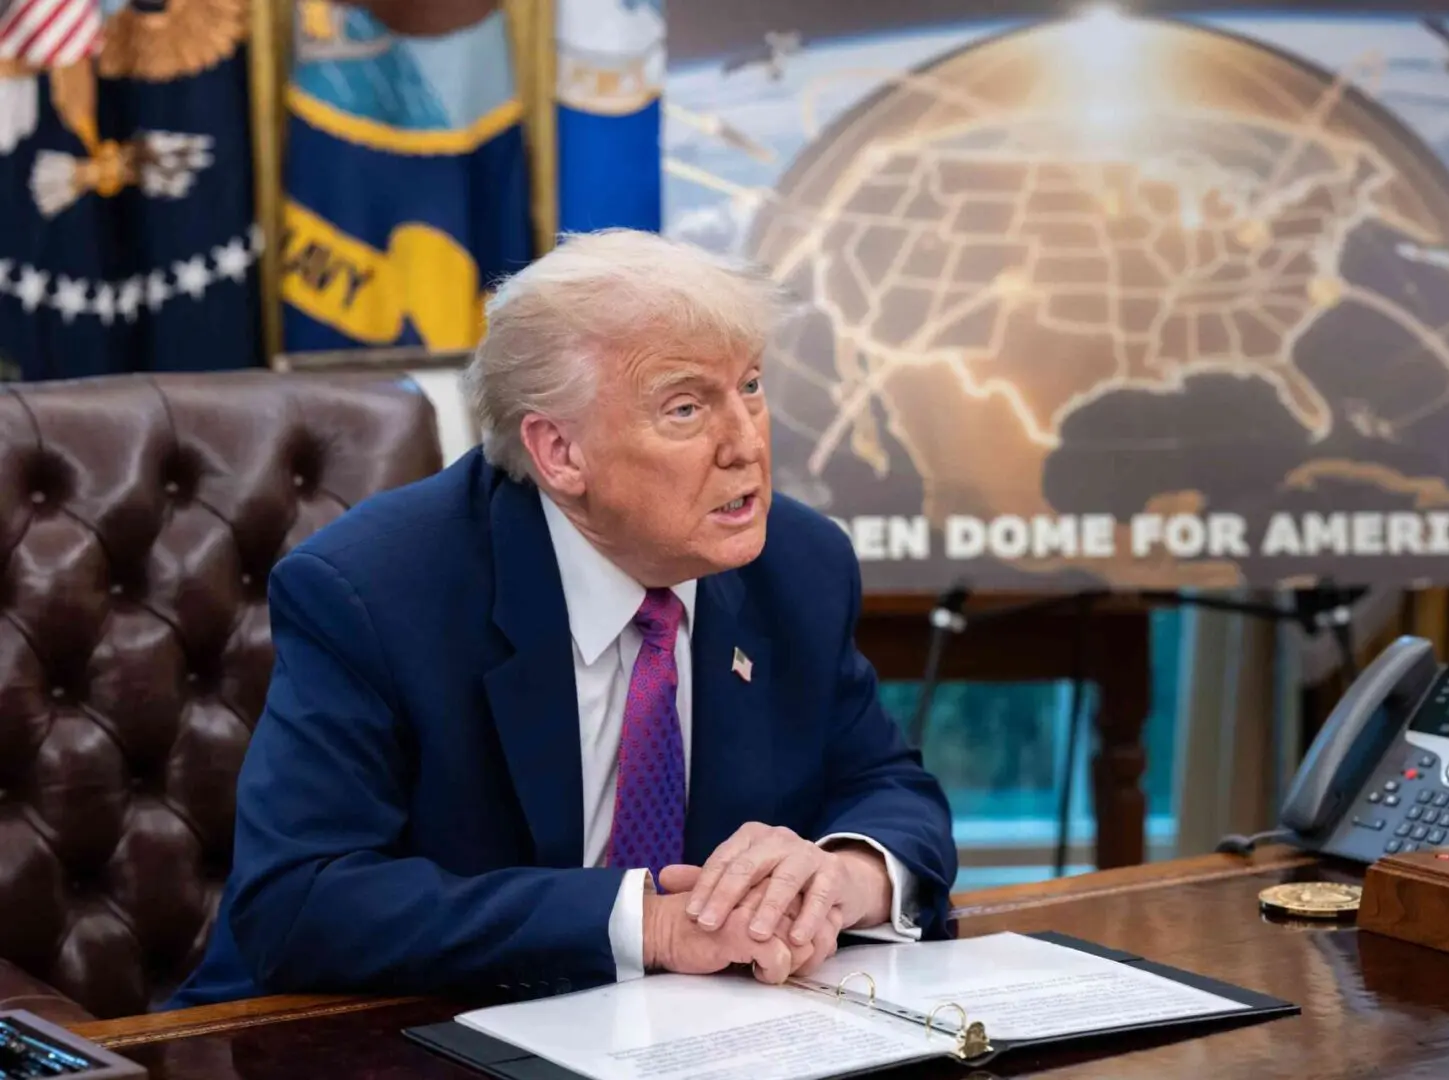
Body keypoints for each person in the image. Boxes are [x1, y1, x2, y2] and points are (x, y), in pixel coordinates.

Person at [167, 229, 958, 1006]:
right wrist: (646, 926)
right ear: (560, 454)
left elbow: (886, 785)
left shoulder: (798, 564)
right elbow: (300, 904)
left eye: (749, 386)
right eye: (686, 408)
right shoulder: (372, 593)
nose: (746, 443)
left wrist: (844, 873)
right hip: (374, 1040)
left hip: (691, 1043)